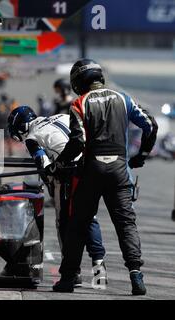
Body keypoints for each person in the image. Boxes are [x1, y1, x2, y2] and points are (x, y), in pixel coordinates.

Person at [48, 59, 158, 295]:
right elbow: (151, 125)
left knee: (78, 225)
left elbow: (78, 143)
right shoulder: (123, 98)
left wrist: (59, 163)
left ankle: (67, 279)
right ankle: (136, 275)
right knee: (126, 224)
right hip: (119, 169)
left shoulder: (79, 103)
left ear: (78, 81)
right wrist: (141, 156)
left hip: (92, 170)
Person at [8, 105, 107, 286]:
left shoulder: (32, 137)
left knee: (64, 223)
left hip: (70, 173)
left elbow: (44, 167)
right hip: (93, 165)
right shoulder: (61, 116)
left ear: (21, 126)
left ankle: (72, 273)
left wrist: (51, 187)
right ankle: (99, 268)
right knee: (90, 217)